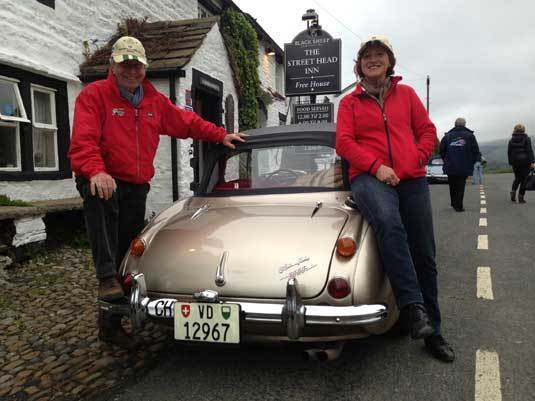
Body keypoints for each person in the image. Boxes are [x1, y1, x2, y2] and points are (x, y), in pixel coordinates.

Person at [68, 36, 246, 348]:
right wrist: (96, 170)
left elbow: (186, 122)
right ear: (113, 66)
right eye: (124, 63)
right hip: (102, 178)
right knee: (103, 214)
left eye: (136, 64)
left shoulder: (153, 102)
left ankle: (110, 323)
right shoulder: (94, 96)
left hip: (135, 184)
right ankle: (106, 278)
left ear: (145, 68)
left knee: (129, 249)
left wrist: (221, 135)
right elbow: (83, 141)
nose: (131, 70)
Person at [336, 35, 454, 362]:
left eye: (380, 54)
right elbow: (344, 143)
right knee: (389, 223)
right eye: (367, 55)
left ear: (390, 61)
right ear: (359, 64)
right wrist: (377, 167)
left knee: (424, 252)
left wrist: (410, 162)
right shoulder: (349, 103)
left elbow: (428, 133)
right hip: (368, 177)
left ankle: (434, 332)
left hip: (409, 176)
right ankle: (412, 307)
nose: (373, 59)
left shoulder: (407, 95)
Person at [439, 118, 480, 211]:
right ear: (464, 125)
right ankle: (459, 206)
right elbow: (475, 151)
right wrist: (472, 161)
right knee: (461, 185)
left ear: (455, 124)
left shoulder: (447, 136)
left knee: (452, 184)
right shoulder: (470, 136)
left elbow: (441, 150)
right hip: (464, 165)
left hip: (450, 165)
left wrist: (446, 160)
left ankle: (454, 203)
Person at [507, 124, 535, 203]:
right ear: (523, 130)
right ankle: (521, 197)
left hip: (515, 162)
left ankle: (513, 192)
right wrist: (532, 162)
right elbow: (529, 151)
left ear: (515, 130)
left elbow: (509, 152)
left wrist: (511, 162)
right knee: (524, 180)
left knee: (517, 178)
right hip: (525, 162)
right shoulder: (527, 139)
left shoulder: (511, 140)